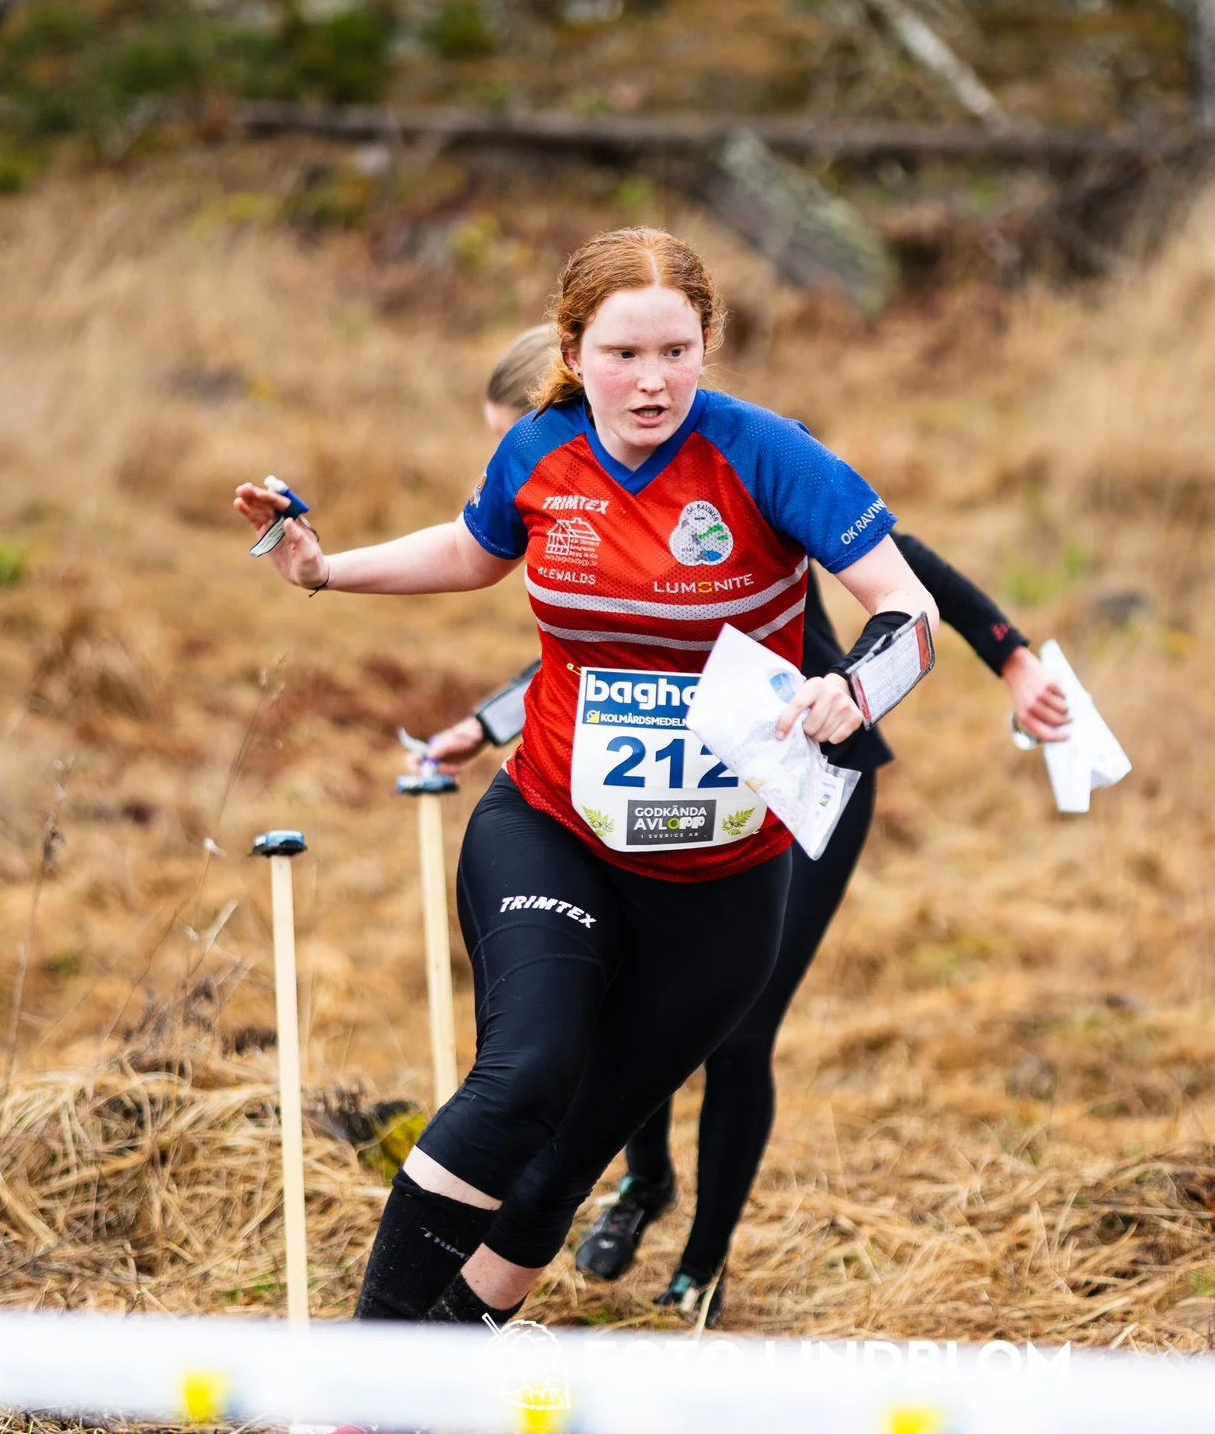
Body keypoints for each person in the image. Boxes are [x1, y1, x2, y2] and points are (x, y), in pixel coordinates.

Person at [234, 228, 938, 1326]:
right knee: (525, 1077)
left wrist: (856, 685)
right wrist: (325, 570)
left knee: (563, 1164)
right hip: (553, 824)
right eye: (623, 354)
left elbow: (909, 608)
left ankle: (439, 1365)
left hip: (723, 881)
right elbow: (471, 551)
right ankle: (369, 1367)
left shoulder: (767, 454)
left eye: (676, 351)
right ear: (572, 351)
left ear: (707, 344)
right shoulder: (540, 450)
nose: (653, 381)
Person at [421, 328, 1070, 1325]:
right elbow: (598, 652)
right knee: (623, 1007)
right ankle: (643, 1182)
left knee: (737, 1028)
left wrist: (1014, 659)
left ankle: (703, 1264)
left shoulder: (743, 470)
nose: (520, 472)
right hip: (673, 790)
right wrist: (482, 724)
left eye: (522, 439)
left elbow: (910, 570)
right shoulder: (575, 498)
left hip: (806, 779)